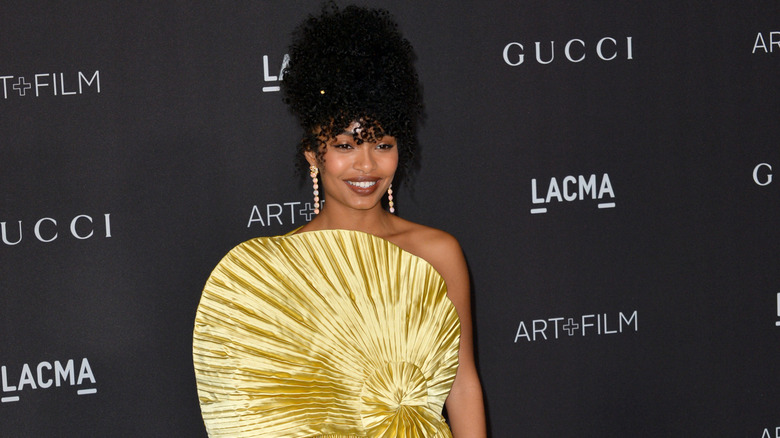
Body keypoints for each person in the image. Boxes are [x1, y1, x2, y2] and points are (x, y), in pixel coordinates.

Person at [193, 4, 486, 437]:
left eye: (382, 144)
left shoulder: (437, 252)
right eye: (346, 145)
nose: (366, 165)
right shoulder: (281, 275)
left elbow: (462, 385)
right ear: (314, 154)